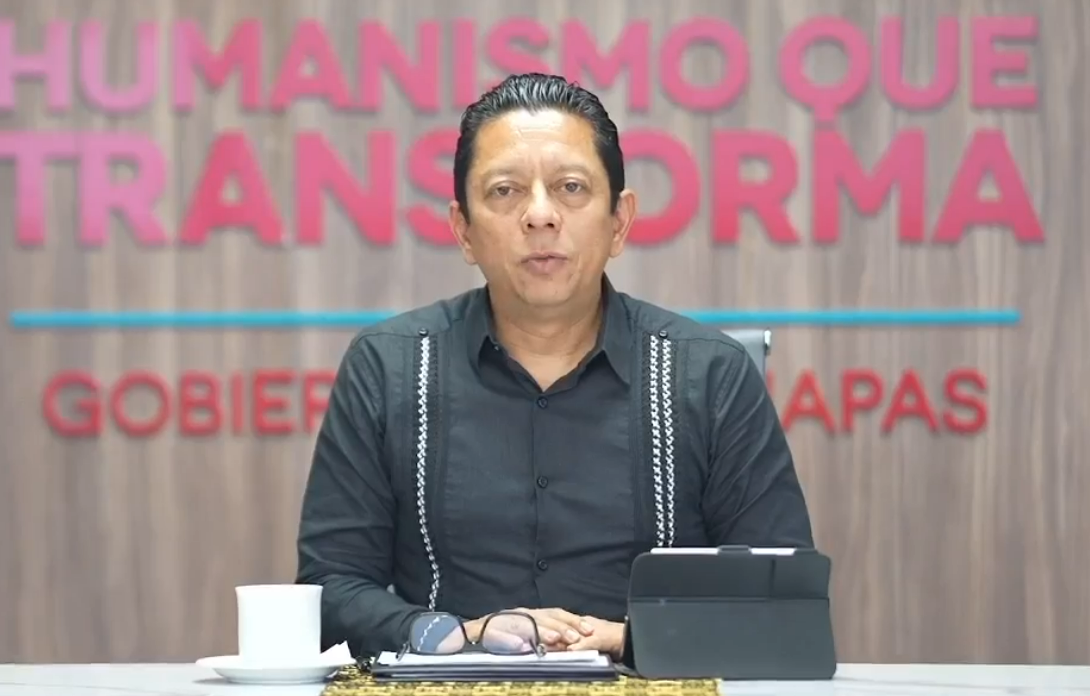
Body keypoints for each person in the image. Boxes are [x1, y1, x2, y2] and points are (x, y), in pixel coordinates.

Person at [295, 72, 814, 660]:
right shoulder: (388, 369)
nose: (540, 215)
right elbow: (331, 590)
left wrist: (630, 640)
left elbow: (782, 605)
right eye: (505, 191)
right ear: (464, 231)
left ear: (619, 222)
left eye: (570, 187)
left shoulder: (712, 377)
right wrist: (456, 634)